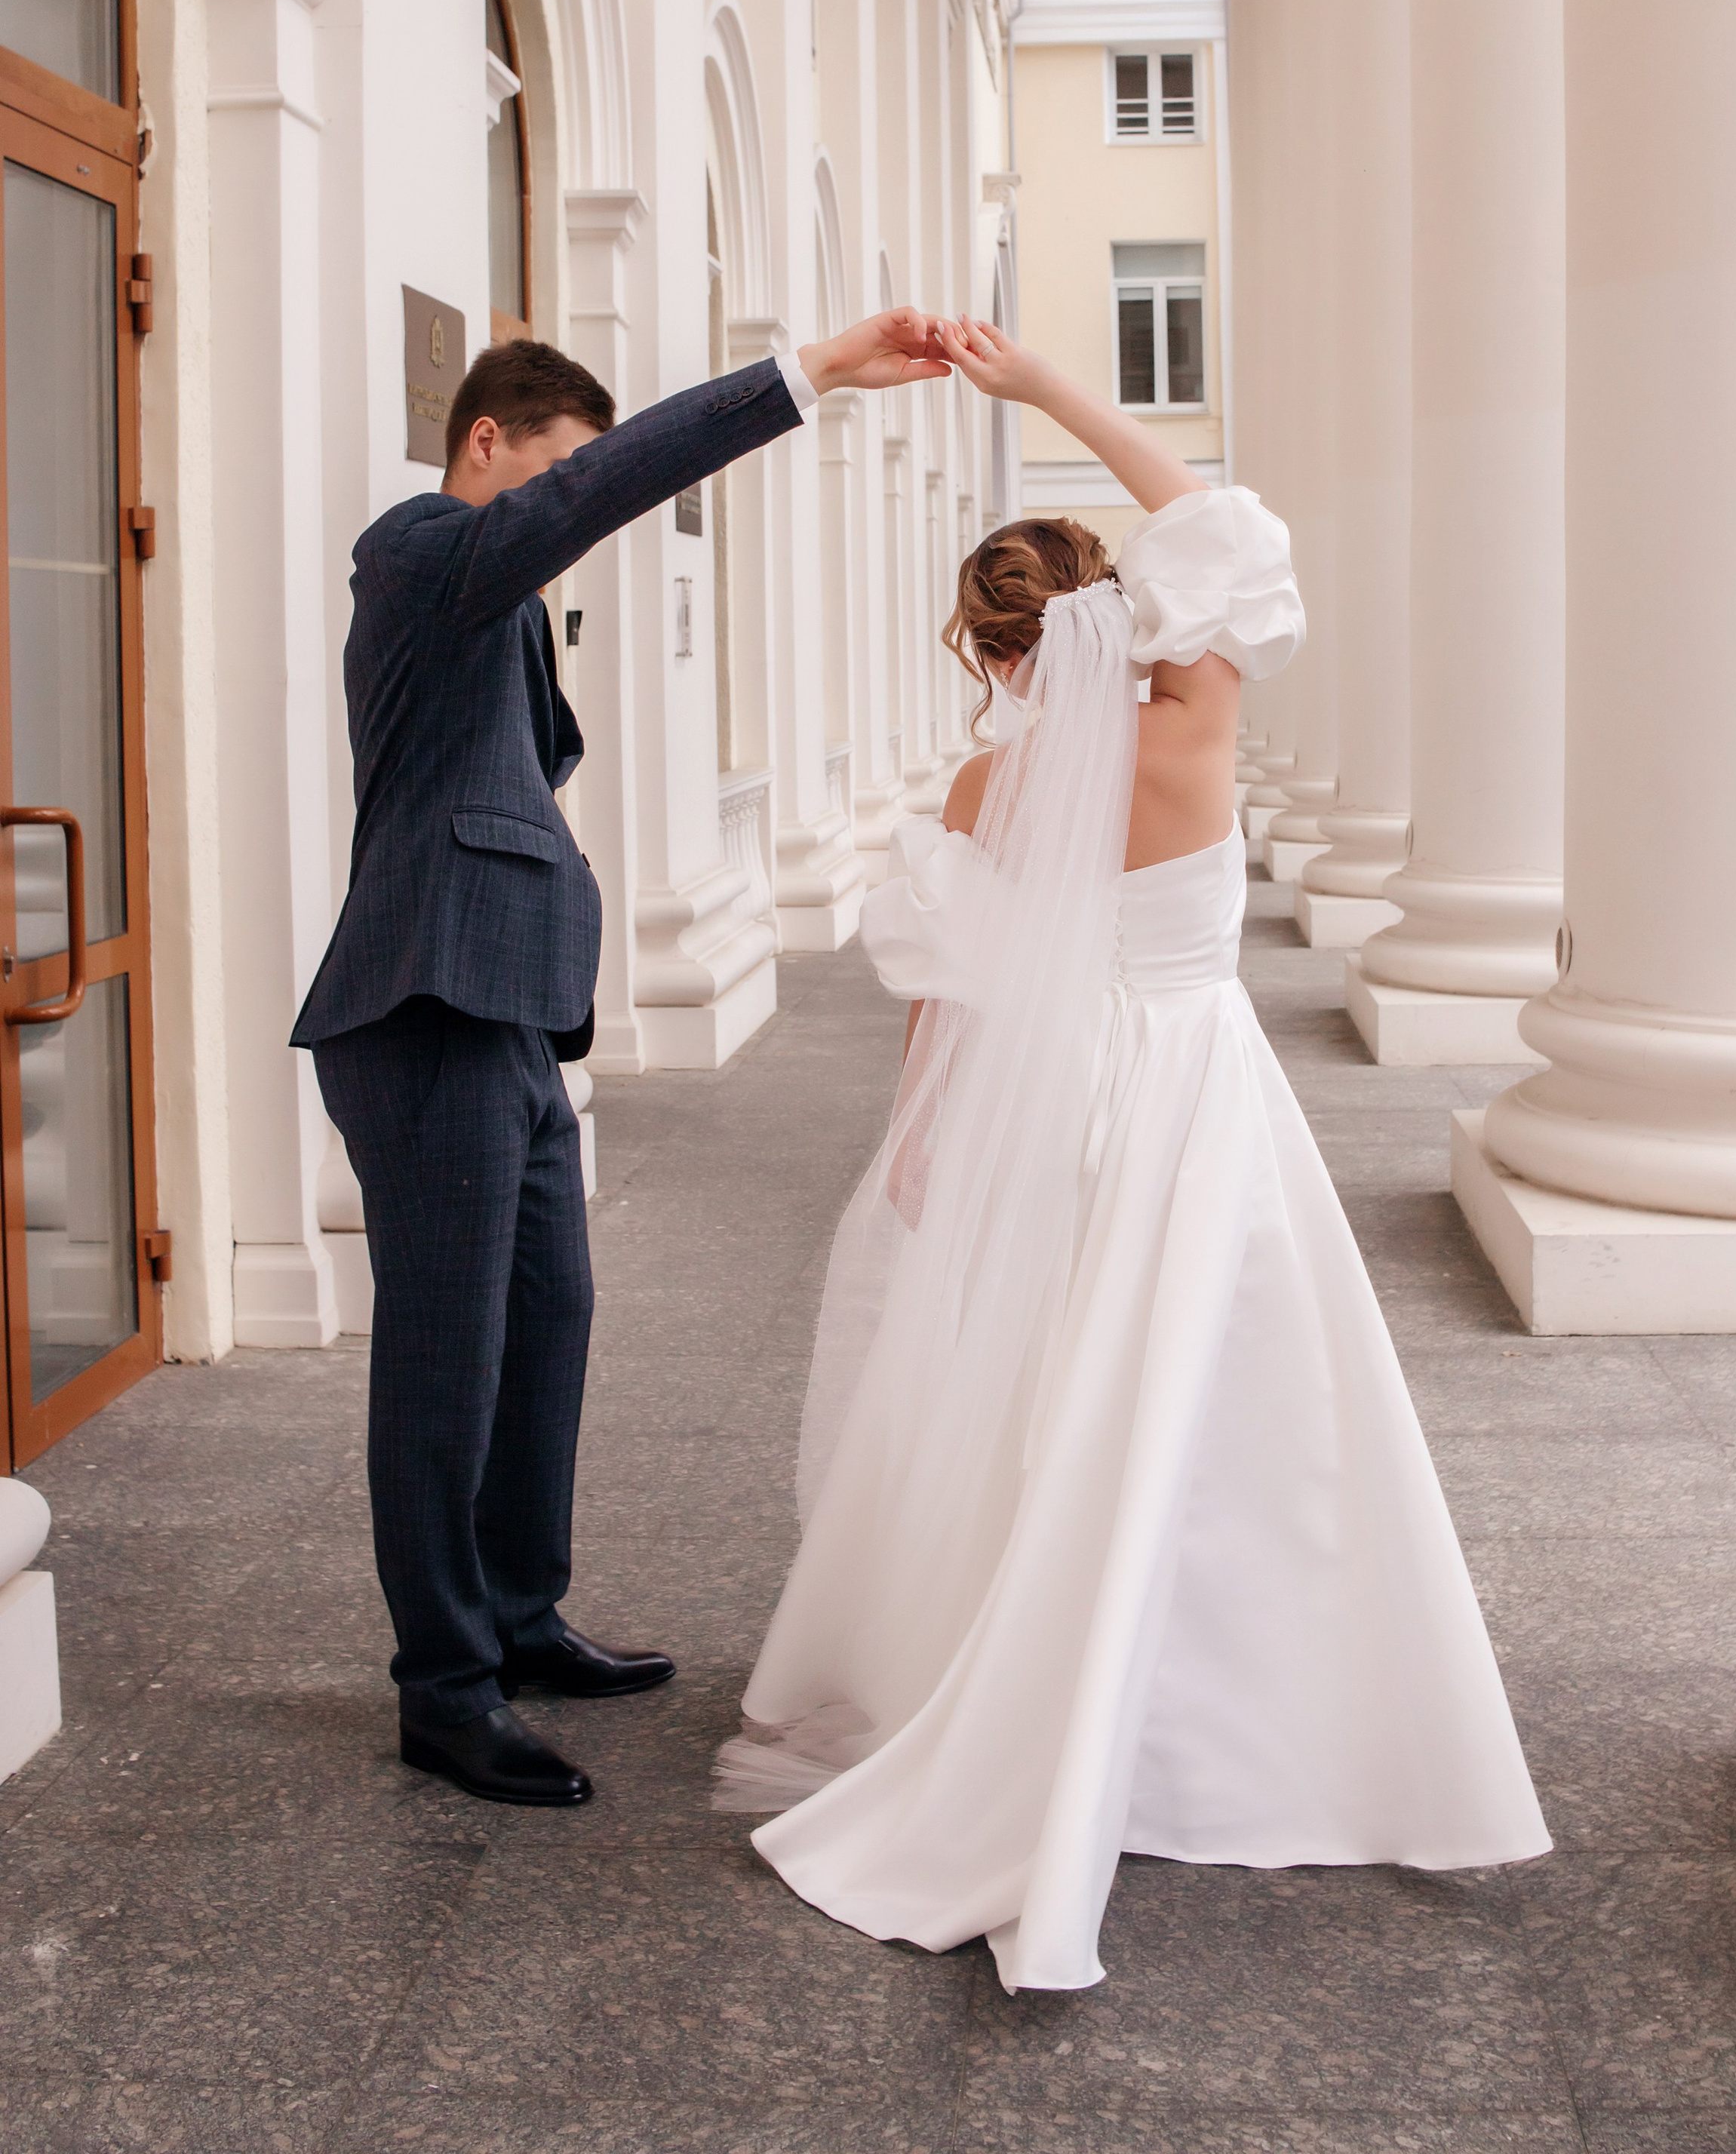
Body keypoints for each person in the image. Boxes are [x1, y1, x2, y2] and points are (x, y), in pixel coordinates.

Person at [717, 320, 1548, 1990]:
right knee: (1222, 1392)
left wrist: (921, 1151)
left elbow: (945, 1000)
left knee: (1053, 1394)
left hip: (1051, 1102)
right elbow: (1223, 527)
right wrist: (1043, 392)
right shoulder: (1197, 729)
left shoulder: (981, 792)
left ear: (990, 650)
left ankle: (1027, 1679)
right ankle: (1213, 1715)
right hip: (1194, 1086)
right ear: (1121, 610)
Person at [293, 310, 948, 1808]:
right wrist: (809, 374)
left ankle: (518, 1617)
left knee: (548, 1324)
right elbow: (595, 494)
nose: (565, 512)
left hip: (507, 1012)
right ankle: (445, 1687)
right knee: (445, 1365)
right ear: (486, 444)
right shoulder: (419, 551)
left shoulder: (500, 610)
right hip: (427, 1012)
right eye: (552, 474)